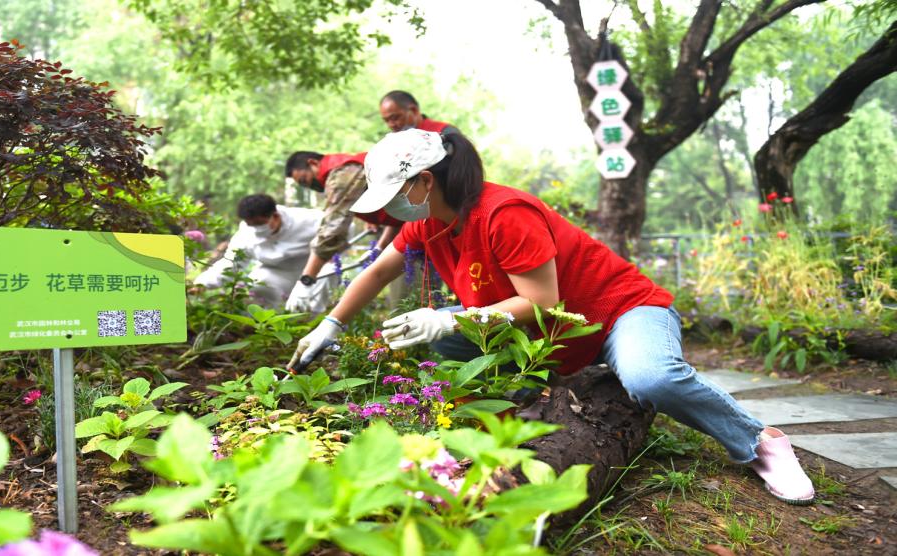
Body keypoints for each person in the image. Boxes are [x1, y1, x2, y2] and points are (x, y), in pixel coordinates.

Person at [288, 129, 816, 506]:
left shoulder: (503, 214)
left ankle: (760, 442)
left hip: (619, 311)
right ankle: (515, 420)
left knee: (650, 377)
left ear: (425, 181)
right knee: (440, 338)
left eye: (397, 193)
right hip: (555, 335)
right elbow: (378, 273)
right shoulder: (429, 223)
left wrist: (451, 320)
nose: (391, 210)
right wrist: (330, 323)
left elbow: (542, 304)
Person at [283, 150, 404, 312]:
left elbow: (332, 230)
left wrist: (307, 279)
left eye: (305, 180)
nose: (310, 187)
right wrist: (379, 247)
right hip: (415, 224)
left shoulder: (344, 172)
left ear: (313, 163)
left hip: (427, 224)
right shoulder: (349, 165)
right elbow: (398, 216)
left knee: (408, 299)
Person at [193, 194, 326, 309]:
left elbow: (339, 230)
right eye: (251, 224)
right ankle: (267, 326)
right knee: (256, 285)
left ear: (275, 216)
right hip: (275, 272)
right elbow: (232, 263)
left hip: (314, 270)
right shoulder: (246, 233)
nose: (257, 228)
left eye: (260, 223)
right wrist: (202, 283)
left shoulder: (309, 220)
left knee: (315, 300)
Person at [379, 90, 461, 135]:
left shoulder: (445, 132)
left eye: (395, 118)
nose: (391, 125)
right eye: (386, 121)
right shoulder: (391, 142)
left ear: (414, 110)